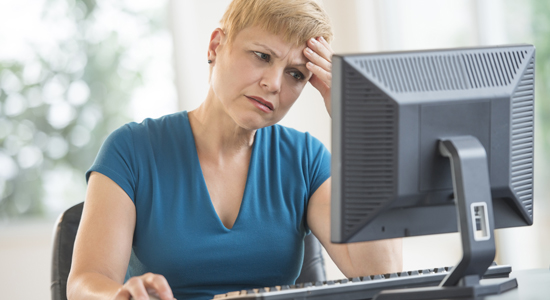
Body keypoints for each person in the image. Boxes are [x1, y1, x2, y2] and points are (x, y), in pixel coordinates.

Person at [67, 0, 402, 299]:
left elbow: (382, 275)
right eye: (262, 56)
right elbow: (86, 281)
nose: (274, 83)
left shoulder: (306, 160)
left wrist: (356, 125)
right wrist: (120, 297)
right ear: (216, 45)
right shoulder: (131, 150)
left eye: (295, 74)